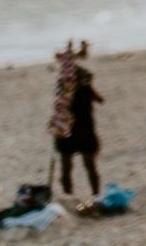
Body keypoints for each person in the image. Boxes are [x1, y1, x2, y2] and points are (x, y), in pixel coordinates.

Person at [57, 68, 104, 198]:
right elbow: (101, 100)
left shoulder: (66, 92)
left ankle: (69, 195)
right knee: (89, 167)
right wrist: (89, 84)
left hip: (73, 133)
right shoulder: (84, 90)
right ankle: (96, 195)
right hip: (82, 132)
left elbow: (100, 99)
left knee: (68, 168)